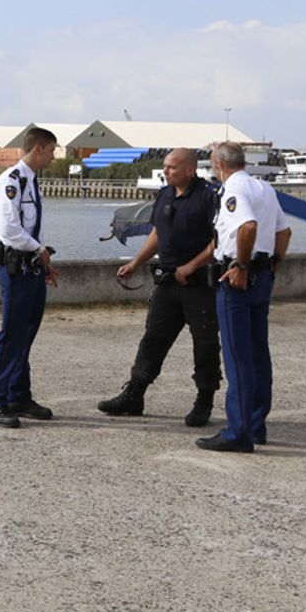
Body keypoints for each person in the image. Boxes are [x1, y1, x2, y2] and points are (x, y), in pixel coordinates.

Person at [98, 148, 221, 426]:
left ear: (189, 170)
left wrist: (191, 266)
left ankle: (204, 401)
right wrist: (136, 262)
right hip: (166, 282)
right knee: (153, 339)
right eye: (165, 167)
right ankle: (134, 394)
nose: (166, 172)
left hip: (198, 284)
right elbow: (158, 233)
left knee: (205, 344)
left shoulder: (208, 198)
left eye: (172, 168)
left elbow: (219, 240)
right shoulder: (165, 195)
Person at [197, 141, 292, 452]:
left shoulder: (234, 189)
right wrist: (273, 265)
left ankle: (237, 433)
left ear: (219, 164)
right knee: (257, 354)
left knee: (238, 357)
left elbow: (247, 225)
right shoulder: (263, 188)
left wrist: (240, 264)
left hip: (237, 279)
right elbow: (284, 231)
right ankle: (254, 425)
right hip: (261, 276)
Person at [0, 127, 59, 428]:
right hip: (16, 268)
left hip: (32, 268)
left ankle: (18, 395)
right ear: (38, 148)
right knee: (12, 334)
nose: (54, 157)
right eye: (52, 150)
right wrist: (39, 249)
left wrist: (42, 258)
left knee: (26, 333)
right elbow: (9, 231)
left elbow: (30, 229)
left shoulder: (32, 182)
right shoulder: (11, 181)